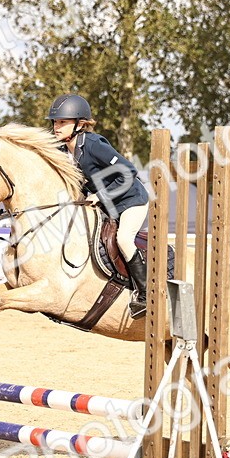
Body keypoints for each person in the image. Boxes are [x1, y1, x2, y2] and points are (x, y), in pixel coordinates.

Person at [47, 93, 151, 318]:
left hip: (131, 200)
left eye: (62, 122)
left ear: (79, 124)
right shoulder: (65, 151)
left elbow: (129, 172)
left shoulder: (93, 144)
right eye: (55, 122)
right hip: (109, 204)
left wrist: (101, 195)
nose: (57, 126)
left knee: (123, 238)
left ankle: (146, 294)